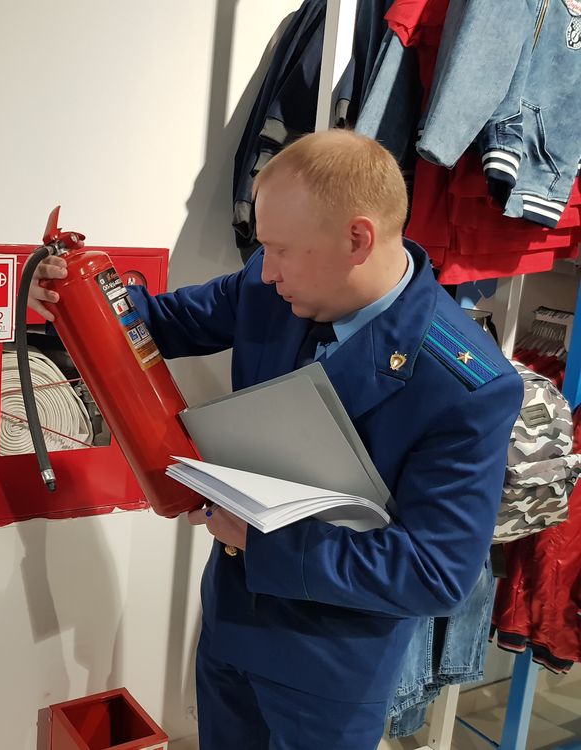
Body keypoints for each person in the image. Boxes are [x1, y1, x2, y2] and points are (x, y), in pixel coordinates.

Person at [28, 130, 523, 749]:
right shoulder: (269, 286)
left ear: (357, 239)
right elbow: (156, 322)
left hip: (330, 665)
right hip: (232, 622)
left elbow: (434, 573)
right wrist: (72, 298)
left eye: (282, 250)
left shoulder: (464, 384)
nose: (266, 268)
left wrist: (264, 544)